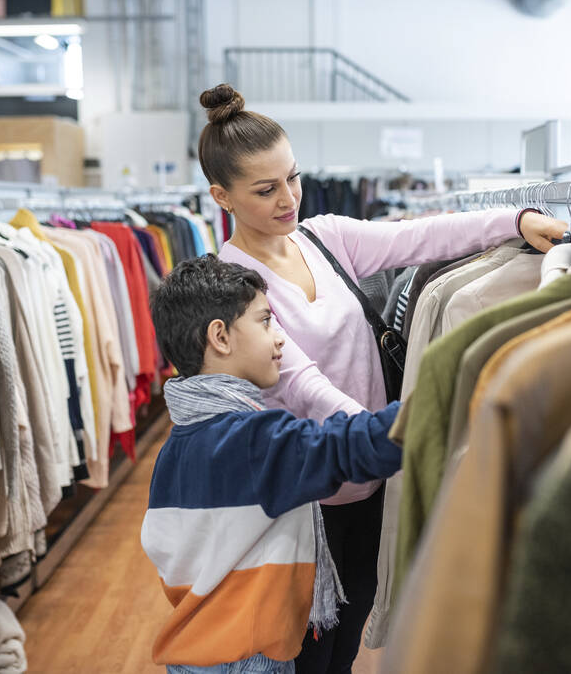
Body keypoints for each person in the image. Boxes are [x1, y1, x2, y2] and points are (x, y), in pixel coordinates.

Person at [198, 83, 571, 673]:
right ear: (221, 195)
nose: (287, 198)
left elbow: (422, 236)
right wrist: (386, 434)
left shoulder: (324, 238)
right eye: (265, 189)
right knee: (304, 647)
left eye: (293, 178)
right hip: (303, 497)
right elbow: (301, 382)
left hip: (370, 479)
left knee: (355, 627)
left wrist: (517, 219)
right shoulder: (230, 282)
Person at [141, 255, 404, 674]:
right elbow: (350, 446)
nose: (280, 339)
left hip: (202, 649)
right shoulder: (248, 441)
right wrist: (442, 394)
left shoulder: (183, 439)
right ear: (220, 338)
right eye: (266, 322)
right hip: (247, 660)